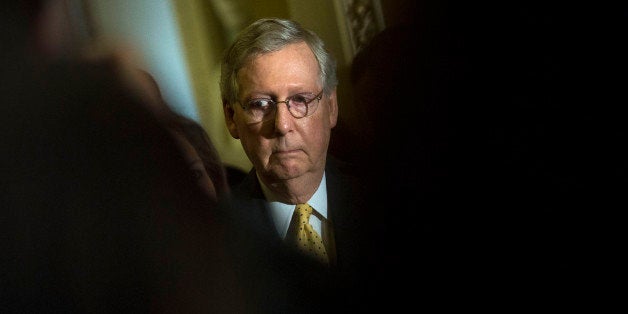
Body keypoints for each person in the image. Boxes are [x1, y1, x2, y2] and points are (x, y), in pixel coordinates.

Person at [219, 17, 369, 309]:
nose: (283, 125)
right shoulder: (215, 240)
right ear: (231, 118)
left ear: (332, 107)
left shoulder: (390, 199)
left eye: (300, 99)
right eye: (260, 104)